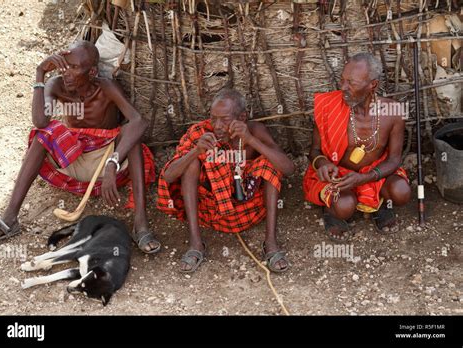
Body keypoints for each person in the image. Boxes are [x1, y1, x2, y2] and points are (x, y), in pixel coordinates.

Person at [0, 40, 160, 254]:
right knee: (43, 133)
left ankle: (140, 225)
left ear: (92, 73)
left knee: (133, 139)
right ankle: (9, 219)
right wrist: (40, 73)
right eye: (65, 65)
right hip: (72, 160)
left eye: (75, 67)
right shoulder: (57, 85)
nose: (67, 72)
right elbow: (41, 121)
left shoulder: (106, 87)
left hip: (104, 162)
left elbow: (138, 121)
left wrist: (112, 162)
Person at [157, 88, 295, 273]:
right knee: (190, 164)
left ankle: (270, 243)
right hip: (212, 211)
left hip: (249, 208)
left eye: (225, 119)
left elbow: (288, 168)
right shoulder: (202, 133)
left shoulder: (255, 131)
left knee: (269, 165)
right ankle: (196, 244)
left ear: (243, 117)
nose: (218, 125)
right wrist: (196, 152)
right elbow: (169, 176)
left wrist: (251, 140)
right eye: (213, 118)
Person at [303, 53, 411, 242]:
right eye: (342, 80)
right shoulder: (328, 106)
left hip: (373, 174)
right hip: (338, 178)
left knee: (401, 192)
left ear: (373, 85)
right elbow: (314, 151)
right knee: (344, 206)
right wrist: (322, 164)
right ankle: (331, 210)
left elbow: (394, 159)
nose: (342, 88)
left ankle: (380, 204)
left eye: (351, 83)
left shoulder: (393, 113)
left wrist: (365, 177)